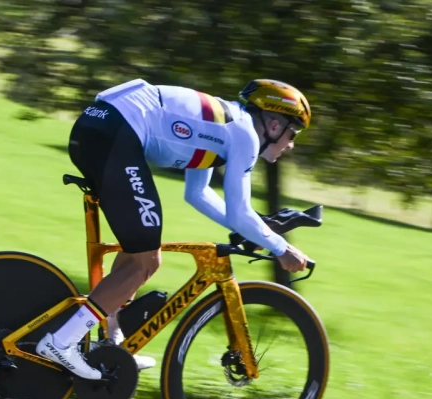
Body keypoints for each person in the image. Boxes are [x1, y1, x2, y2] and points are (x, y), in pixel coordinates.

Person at [36, 78, 312, 379]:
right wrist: (281, 248)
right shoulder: (245, 134)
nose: (291, 144)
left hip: (98, 127)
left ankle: (112, 343)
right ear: (273, 125)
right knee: (147, 261)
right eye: (292, 132)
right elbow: (240, 212)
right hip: (117, 134)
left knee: (136, 252)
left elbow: (198, 195)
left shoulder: (221, 128)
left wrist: (253, 231)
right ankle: (61, 342)